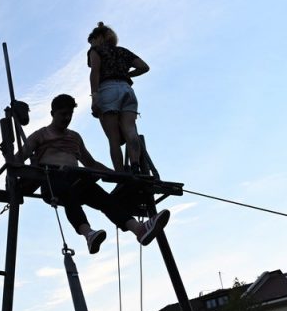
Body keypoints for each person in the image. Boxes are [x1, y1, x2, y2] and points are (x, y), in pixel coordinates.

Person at [10, 94, 171, 255]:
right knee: (68, 193)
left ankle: (139, 229)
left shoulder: (74, 137)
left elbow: (91, 164)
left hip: (76, 178)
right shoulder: (41, 135)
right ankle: (88, 233)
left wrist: (118, 175)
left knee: (103, 198)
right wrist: (11, 158)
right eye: (63, 114)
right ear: (53, 113)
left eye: (70, 114)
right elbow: (18, 158)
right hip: (51, 179)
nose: (67, 118)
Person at [86, 22, 150, 172]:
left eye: (92, 40)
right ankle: (135, 165)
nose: (91, 44)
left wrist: (95, 97)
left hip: (107, 89)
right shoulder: (123, 51)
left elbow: (94, 72)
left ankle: (121, 173)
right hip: (127, 89)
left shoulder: (95, 50)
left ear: (98, 38)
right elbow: (144, 67)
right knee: (131, 130)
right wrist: (127, 74)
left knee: (113, 138)